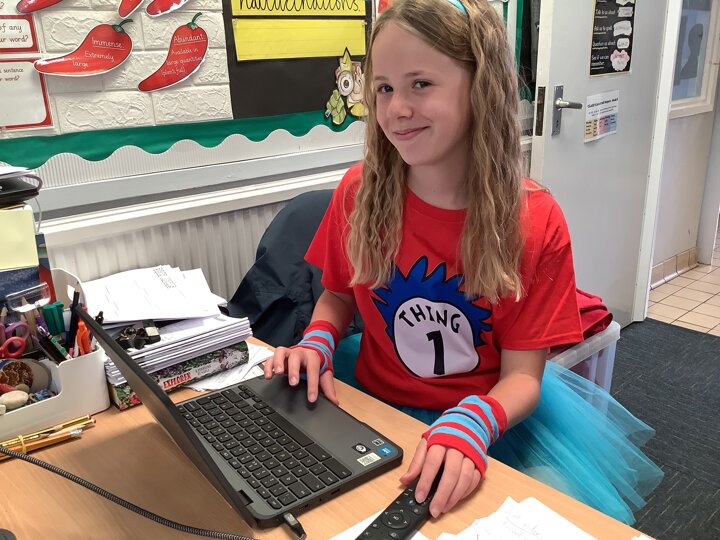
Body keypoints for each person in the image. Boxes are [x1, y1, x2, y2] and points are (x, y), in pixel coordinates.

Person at [264, 0, 662, 525]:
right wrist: (317, 338)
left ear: (480, 88)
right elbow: (338, 295)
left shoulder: (533, 220)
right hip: (371, 401)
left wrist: (475, 420)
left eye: (420, 84)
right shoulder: (359, 193)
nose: (396, 109)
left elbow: (524, 377)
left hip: (487, 419)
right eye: (383, 88)